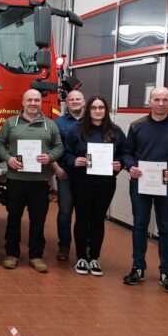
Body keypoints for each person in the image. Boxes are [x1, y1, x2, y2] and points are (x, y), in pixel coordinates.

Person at [121, 87, 168, 294]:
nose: (161, 103)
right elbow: (127, 153)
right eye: (157, 99)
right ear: (149, 101)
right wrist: (130, 166)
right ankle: (138, 269)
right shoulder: (137, 127)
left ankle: (166, 272)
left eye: (165, 100)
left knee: (166, 229)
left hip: (167, 184)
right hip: (140, 183)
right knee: (139, 226)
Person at [0, 89, 63, 273]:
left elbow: (59, 147)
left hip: (40, 181)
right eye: (30, 100)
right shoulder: (11, 123)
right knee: (13, 218)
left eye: (37, 100)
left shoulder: (50, 125)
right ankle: (11, 254)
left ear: (41, 103)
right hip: (16, 180)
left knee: (38, 220)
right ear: (23, 103)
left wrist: (49, 157)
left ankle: (36, 256)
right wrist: (8, 159)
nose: (33, 103)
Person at [63, 95, 125, 276]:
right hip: (81, 182)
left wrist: (119, 164)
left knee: (98, 220)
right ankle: (81, 257)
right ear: (88, 110)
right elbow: (66, 154)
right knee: (82, 218)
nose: (98, 111)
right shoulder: (76, 131)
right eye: (94, 108)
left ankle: (95, 258)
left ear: (106, 111)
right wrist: (75, 160)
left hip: (105, 184)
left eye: (101, 108)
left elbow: (125, 154)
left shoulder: (115, 132)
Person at [53, 90, 84, 261]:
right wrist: (57, 168)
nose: (75, 101)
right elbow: (51, 147)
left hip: (87, 176)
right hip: (65, 173)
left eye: (78, 99)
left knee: (84, 213)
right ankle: (64, 246)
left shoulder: (92, 121)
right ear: (66, 102)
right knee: (65, 212)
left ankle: (84, 246)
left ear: (83, 102)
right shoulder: (58, 123)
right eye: (71, 99)